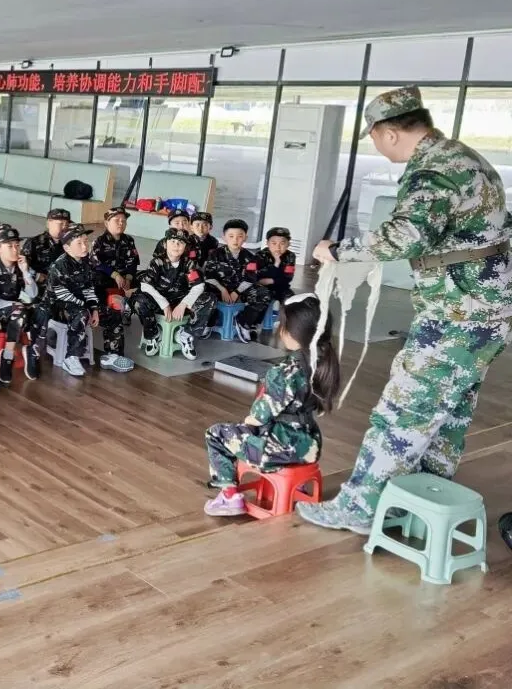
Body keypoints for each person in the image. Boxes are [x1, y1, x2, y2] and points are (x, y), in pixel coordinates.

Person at [300, 86, 512, 533]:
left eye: (375, 138)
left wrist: (337, 251)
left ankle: (360, 507)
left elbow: (406, 236)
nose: (377, 146)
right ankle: (419, 497)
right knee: (450, 409)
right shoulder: (466, 158)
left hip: (457, 312)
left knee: (404, 408)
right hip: (487, 308)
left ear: (389, 133)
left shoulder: (433, 172)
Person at [204, 294, 341, 516]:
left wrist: (248, 421)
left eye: (283, 326)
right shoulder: (323, 362)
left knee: (217, 434)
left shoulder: (284, 372)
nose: (280, 330)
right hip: (310, 445)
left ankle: (229, 497)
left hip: (279, 448)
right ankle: (298, 489)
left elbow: (259, 416)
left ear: (292, 332)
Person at [47, 223, 133, 376]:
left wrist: (95, 310)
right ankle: (71, 357)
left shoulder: (86, 261)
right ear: (67, 248)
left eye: (86, 241)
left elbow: (89, 289)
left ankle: (112, 354)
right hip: (58, 307)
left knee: (113, 312)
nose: (84, 246)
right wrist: (87, 309)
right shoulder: (59, 266)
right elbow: (63, 295)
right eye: (79, 243)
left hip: (81, 304)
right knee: (81, 314)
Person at [131, 228, 214, 360]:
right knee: (138, 300)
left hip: (180, 304)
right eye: (173, 241)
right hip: (159, 303)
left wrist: (183, 304)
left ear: (185, 247)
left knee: (209, 298)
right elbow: (146, 285)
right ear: (165, 244)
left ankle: (186, 335)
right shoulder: (157, 262)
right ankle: (153, 334)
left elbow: (198, 286)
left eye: (181, 242)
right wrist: (164, 304)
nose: (176, 245)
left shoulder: (188, 264)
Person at [0, 226, 46, 383]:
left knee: (41, 309)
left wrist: (26, 272)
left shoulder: (20, 268)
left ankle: (32, 351)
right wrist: (14, 304)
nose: (15, 250)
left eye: (17, 245)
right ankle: (7, 356)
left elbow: (32, 294)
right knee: (19, 311)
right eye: (9, 246)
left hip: (16, 312)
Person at [204, 218, 272, 343]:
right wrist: (222, 289)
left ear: (245, 237)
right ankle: (208, 322)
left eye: (240, 236)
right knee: (205, 293)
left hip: (240, 290)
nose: (235, 240)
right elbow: (209, 276)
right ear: (224, 237)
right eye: (231, 236)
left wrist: (237, 292)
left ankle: (244, 322)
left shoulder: (250, 257)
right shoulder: (216, 254)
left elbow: (250, 278)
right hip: (218, 289)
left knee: (264, 293)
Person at [91, 207, 140, 360]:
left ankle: (128, 306)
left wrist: (129, 278)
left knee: (146, 279)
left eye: (123, 221)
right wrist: (115, 275)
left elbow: (133, 262)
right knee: (97, 280)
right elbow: (96, 263)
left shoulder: (128, 240)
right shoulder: (99, 241)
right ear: (106, 223)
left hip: (125, 279)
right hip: (106, 279)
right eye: (116, 220)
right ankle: (110, 307)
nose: (121, 223)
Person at [22, 208, 70, 286]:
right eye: (60, 224)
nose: (64, 227)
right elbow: (21, 267)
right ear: (48, 224)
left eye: (67, 224)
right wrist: (36, 276)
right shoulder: (34, 243)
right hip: (41, 288)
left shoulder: (70, 243)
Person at [255, 226, 296, 305]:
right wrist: (275, 265)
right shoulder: (260, 255)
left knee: (292, 302)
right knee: (262, 298)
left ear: (288, 244)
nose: (278, 247)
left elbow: (288, 277)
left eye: (282, 243)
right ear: (267, 243)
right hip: (262, 287)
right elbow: (257, 277)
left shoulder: (290, 256)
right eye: (274, 243)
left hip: (281, 287)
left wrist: (271, 280)